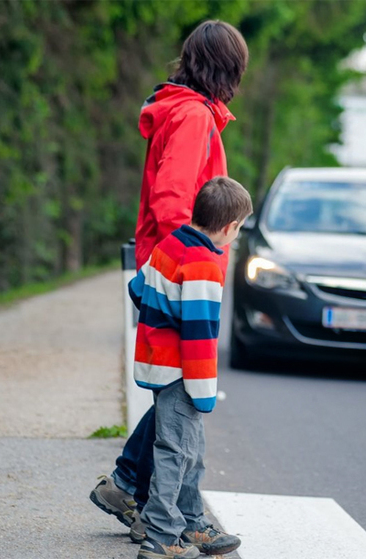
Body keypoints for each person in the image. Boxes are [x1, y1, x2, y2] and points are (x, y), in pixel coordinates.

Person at [89, 19, 248, 537]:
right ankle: (168, 517)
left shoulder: (182, 110)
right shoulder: (194, 118)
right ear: (227, 70)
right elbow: (172, 201)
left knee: (173, 392)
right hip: (182, 272)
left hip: (168, 266)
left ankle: (130, 488)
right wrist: (197, 262)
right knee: (181, 394)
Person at [132, 177, 252, 559]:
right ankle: (162, 535)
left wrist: (163, 310)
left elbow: (139, 287)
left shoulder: (170, 244)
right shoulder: (203, 264)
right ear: (230, 227)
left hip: (156, 361)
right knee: (175, 450)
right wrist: (203, 392)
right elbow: (199, 337)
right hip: (181, 372)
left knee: (189, 448)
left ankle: (191, 521)